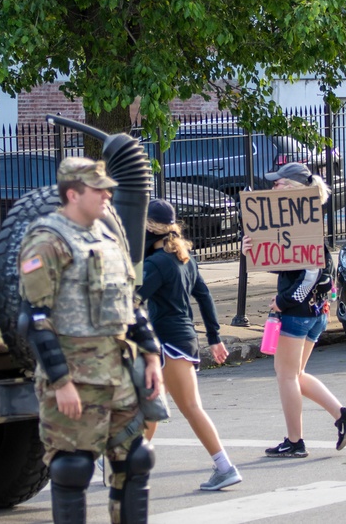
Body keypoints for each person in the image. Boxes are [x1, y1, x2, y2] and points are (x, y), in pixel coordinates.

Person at [17, 156, 164, 524]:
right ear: (72, 194)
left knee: (136, 460)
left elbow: (129, 299)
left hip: (117, 372)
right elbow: (35, 319)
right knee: (73, 468)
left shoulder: (108, 235)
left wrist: (150, 353)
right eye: (97, 190)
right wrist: (60, 381)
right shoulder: (47, 241)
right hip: (75, 379)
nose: (107, 195)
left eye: (108, 189)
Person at [243, 161, 346, 459]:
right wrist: (252, 248)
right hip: (315, 312)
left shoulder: (304, 225)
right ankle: (342, 413)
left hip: (299, 312)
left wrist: (284, 302)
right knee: (295, 373)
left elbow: (309, 272)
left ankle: (295, 442)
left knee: (285, 375)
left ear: (292, 188)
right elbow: (291, 263)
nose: (272, 188)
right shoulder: (301, 223)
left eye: (278, 184)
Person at [139, 199, 242, 491]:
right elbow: (205, 296)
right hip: (182, 340)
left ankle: (224, 466)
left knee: (190, 407)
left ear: (149, 228)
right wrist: (214, 337)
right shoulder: (183, 257)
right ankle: (127, 464)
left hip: (170, 342)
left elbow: (133, 297)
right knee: (150, 406)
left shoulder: (156, 263)